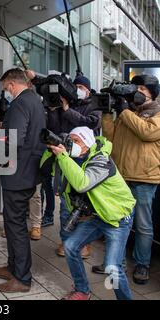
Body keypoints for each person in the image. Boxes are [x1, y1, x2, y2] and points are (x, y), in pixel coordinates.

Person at [43, 127, 136, 300]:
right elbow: (49, 174)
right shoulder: (73, 158)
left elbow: (82, 183)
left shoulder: (101, 160)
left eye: (76, 141)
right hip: (98, 216)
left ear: (87, 144)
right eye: (70, 140)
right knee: (70, 246)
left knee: (112, 267)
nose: (72, 144)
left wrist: (62, 156)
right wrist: (51, 150)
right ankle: (82, 291)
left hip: (117, 218)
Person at [0, 68, 46, 293]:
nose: (6, 93)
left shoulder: (20, 103)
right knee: (14, 224)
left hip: (17, 173)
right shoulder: (35, 100)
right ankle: (13, 267)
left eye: (6, 88)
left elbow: (15, 140)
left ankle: (21, 278)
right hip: (28, 172)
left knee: (15, 226)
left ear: (12, 84)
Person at [100, 74, 160, 285]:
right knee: (117, 221)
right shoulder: (128, 113)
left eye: (142, 89)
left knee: (143, 225)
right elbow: (110, 139)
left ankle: (142, 264)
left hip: (144, 178)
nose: (138, 92)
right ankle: (115, 262)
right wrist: (108, 113)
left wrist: (124, 110)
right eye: (137, 88)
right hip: (122, 177)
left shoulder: (157, 114)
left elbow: (147, 133)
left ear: (152, 93)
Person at [47, 75, 101, 258]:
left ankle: (84, 244)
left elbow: (89, 124)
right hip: (65, 157)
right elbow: (54, 128)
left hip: (84, 159)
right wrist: (55, 109)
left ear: (87, 89)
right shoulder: (65, 102)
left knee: (85, 205)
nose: (77, 89)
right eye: (75, 86)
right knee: (65, 203)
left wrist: (68, 109)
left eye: (80, 86)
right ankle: (66, 240)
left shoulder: (94, 105)